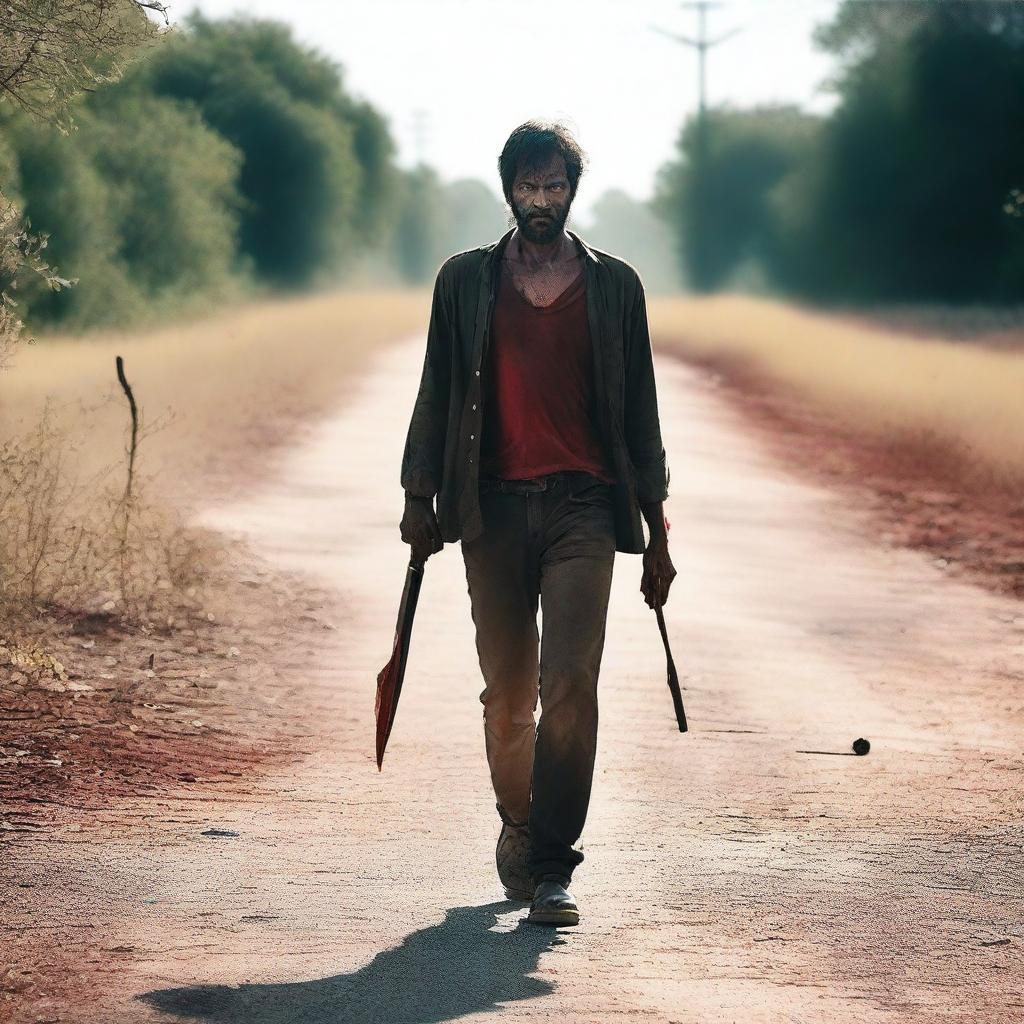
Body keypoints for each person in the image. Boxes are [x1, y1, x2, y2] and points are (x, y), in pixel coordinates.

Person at [399, 120, 675, 927]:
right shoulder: (464, 282)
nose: (541, 201)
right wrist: (420, 497)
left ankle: (554, 865)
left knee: (570, 686)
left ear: (573, 191)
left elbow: (643, 417)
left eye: (554, 187)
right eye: (528, 187)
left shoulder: (615, 287)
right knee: (508, 696)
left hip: (586, 505)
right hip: (492, 509)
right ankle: (520, 825)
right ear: (508, 189)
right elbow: (436, 391)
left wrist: (660, 533)